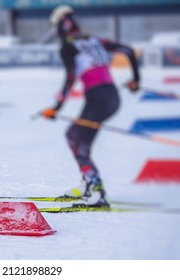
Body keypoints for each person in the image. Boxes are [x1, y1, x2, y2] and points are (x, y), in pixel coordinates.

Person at [40, 5, 140, 207]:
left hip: (97, 99)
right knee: (80, 139)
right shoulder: (96, 39)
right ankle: (89, 183)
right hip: (112, 97)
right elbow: (128, 50)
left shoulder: (68, 46)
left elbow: (70, 80)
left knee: (74, 137)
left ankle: (96, 190)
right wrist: (135, 80)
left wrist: (56, 108)